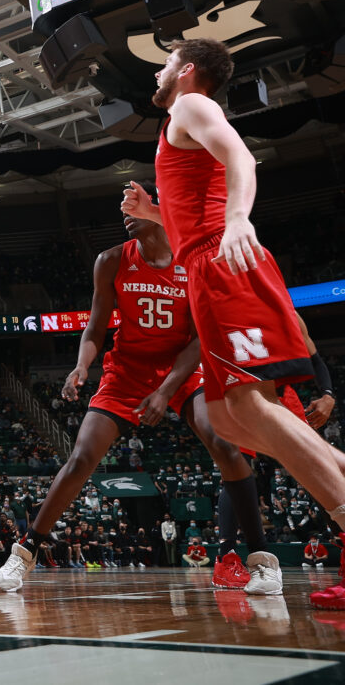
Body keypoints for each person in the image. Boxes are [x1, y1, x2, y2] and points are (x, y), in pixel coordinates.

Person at [121, 38, 345, 609]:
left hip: (223, 266)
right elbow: (199, 199)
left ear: (187, 70)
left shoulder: (191, 106)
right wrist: (158, 213)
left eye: (167, 60)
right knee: (231, 420)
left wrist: (239, 219)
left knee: (245, 408)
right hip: (206, 268)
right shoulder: (180, 122)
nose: (159, 68)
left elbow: (240, 159)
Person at [0, 193, 278, 593]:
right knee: (80, 458)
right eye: (122, 211)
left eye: (135, 209)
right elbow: (94, 327)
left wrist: (164, 391)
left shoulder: (192, 260)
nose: (126, 216)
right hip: (126, 373)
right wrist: (81, 365)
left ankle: (262, 561)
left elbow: (197, 340)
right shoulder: (111, 260)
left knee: (225, 444)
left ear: (163, 214)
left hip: (181, 369)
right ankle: (25, 553)